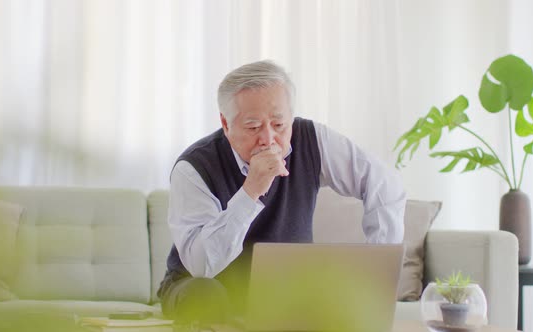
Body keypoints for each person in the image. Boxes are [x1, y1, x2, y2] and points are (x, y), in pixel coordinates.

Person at [158, 60, 406, 329]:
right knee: (206, 295)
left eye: (278, 124)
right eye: (253, 127)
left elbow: (384, 183)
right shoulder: (193, 168)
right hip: (204, 285)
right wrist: (251, 191)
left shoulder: (313, 140)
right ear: (225, 124)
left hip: (286, 289)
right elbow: (201, 265)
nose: (268, 138)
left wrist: (378, 261)